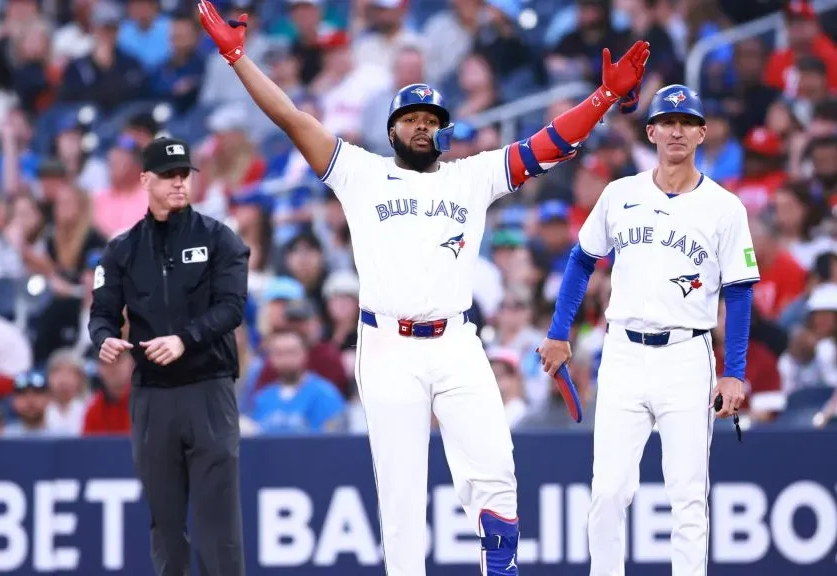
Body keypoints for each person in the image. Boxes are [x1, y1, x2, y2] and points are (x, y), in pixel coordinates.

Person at [196, 2, 649, 573]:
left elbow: (547, 144)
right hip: (387, 345)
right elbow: (291, 117)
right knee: (402, 502)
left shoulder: (470, 176)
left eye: (431, 118)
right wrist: (237, 56)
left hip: (456, 341)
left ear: (444, 129)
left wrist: (603, 99)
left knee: (496, 469)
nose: (421, 125)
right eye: (410, 117)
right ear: (391, 130)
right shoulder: (361, 172)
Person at [537, 85, 757, 576]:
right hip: (623, 353)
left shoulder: (725, 208)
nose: (677, 130)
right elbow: (581, 260)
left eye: (687, 123)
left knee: (686, 494)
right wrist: (558, 331)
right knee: (608, 491)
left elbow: (739, 293)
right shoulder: (621, 194)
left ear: (702, 132)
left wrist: (733, 371)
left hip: (686, 354)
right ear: (651, 131)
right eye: (667, 122)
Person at [87, 136, 251, 576]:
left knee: (219, 525)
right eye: (168, 175)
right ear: (145, 180)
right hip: (152, 396)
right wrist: (103, 337)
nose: (179, 183)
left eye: (184, 175)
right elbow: (102, 312)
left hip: (208, 388)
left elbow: (232, 308)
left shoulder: (220, 240)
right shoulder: (122, 248)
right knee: (165, 523)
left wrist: (185, 338)